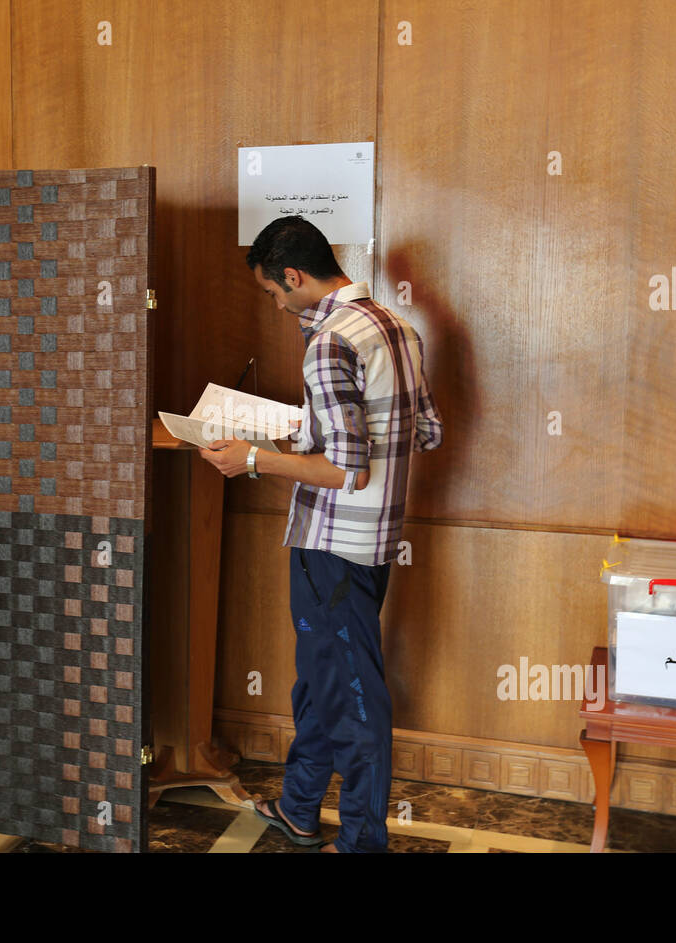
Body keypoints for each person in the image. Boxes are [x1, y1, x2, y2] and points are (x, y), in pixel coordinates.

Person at [199, 215, 443, 852]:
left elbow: (346, 469)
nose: (276, 305)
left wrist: (251, 459)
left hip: (333, 544)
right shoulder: (399, 329)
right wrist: (304, 431)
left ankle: (363, 842)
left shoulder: (330, 341)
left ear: (294, 275)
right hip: (374, 541)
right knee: (320, 677)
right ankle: (300, 805)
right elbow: (425, 433)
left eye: (273, 293)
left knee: (355, 694)